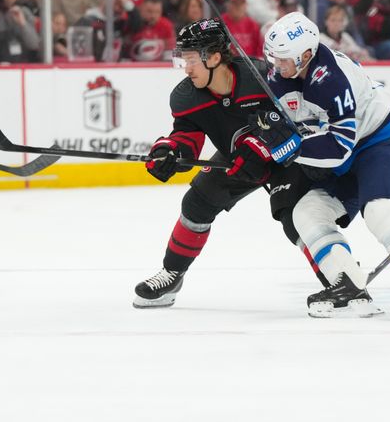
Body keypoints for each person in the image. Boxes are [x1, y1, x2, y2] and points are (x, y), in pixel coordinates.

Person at [249, 12, 390, 319]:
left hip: (384, 139)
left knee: (380, 209)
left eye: (283, 59)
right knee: (306, 211)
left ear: (305, 55)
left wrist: (289, 149)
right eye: (274, 58)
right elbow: (284, 124)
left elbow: (338, 149)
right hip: (351, 148)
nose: (276, 66)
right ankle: (347, 283)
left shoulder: (331, 78)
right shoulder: (283, 74)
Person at [133, 18, 326, 308]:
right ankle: (173, 273)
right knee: (196, 203)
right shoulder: (185, 96)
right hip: (236, 158)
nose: (186, 69)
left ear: (213, 57)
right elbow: (187, 137)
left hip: (283, 157)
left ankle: (337, 276)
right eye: (182, 60)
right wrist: (170, 153)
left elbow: (296, 124)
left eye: (190, 60)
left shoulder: (262, 77)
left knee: (295, 216)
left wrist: (264, 146)